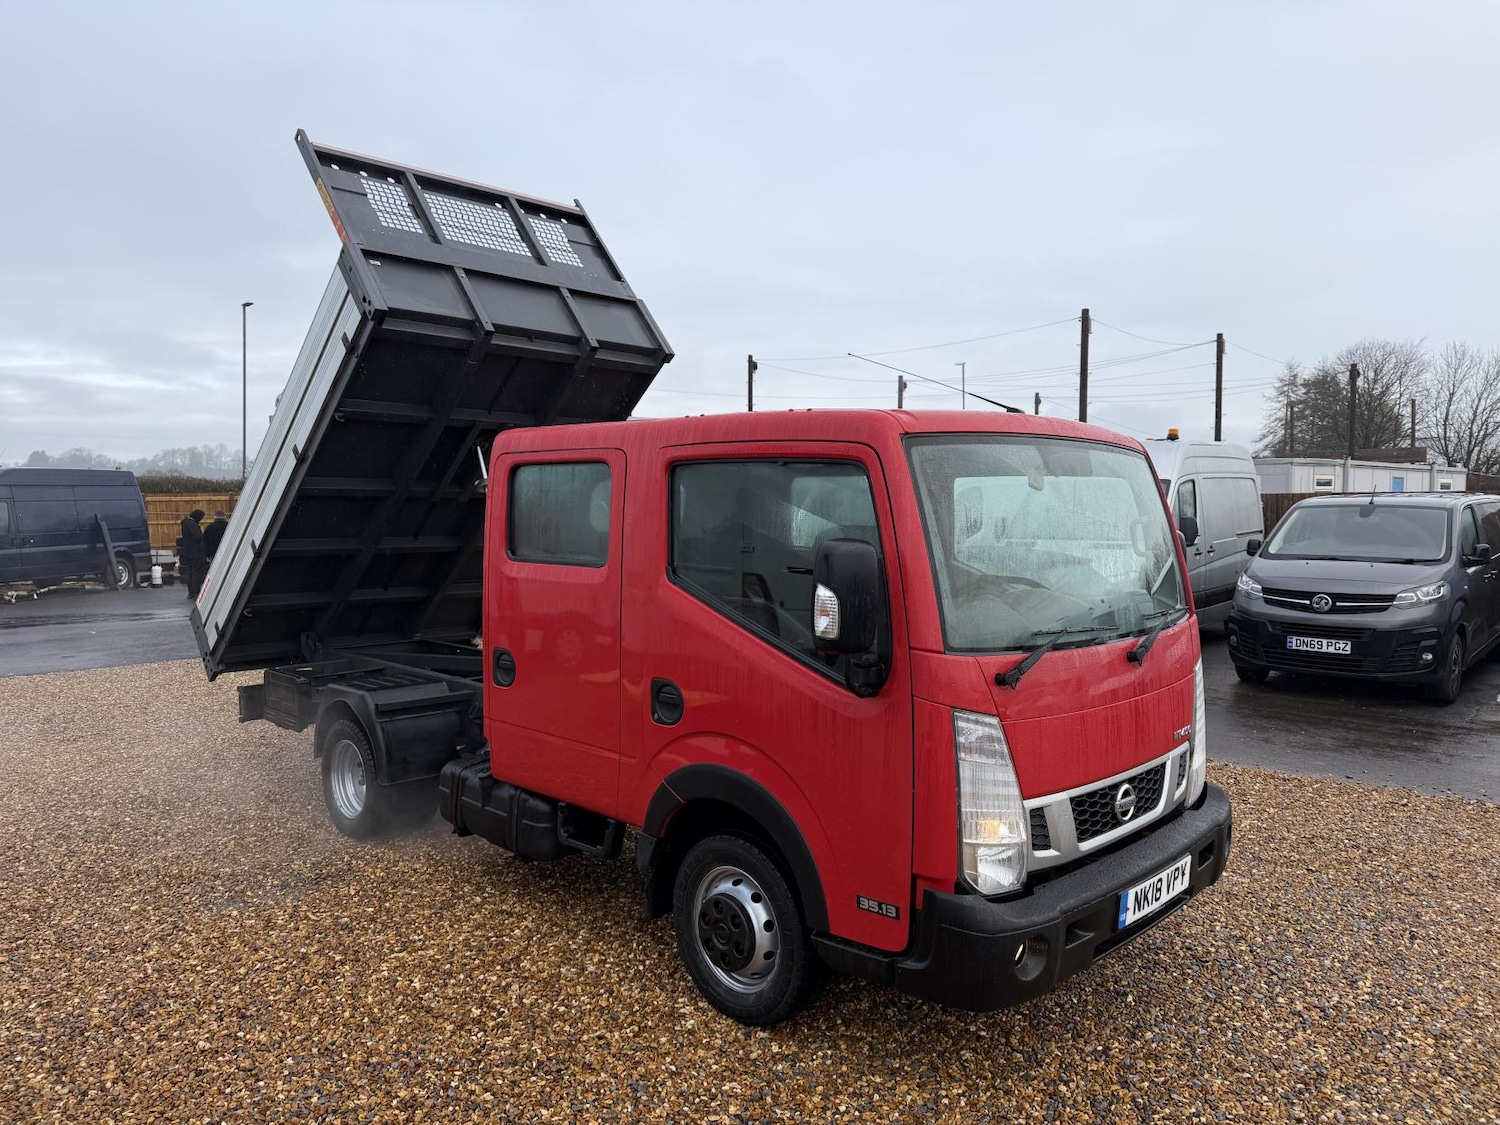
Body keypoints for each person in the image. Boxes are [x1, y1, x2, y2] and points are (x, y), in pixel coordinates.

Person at [179, 509, 207, 599]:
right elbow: (197, 537)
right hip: (196, 552)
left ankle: (191, 592)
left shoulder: (185, 523)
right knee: (196, 573)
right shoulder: (192, 525)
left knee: (190, 572)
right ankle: (196, 592)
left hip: (188, 551)